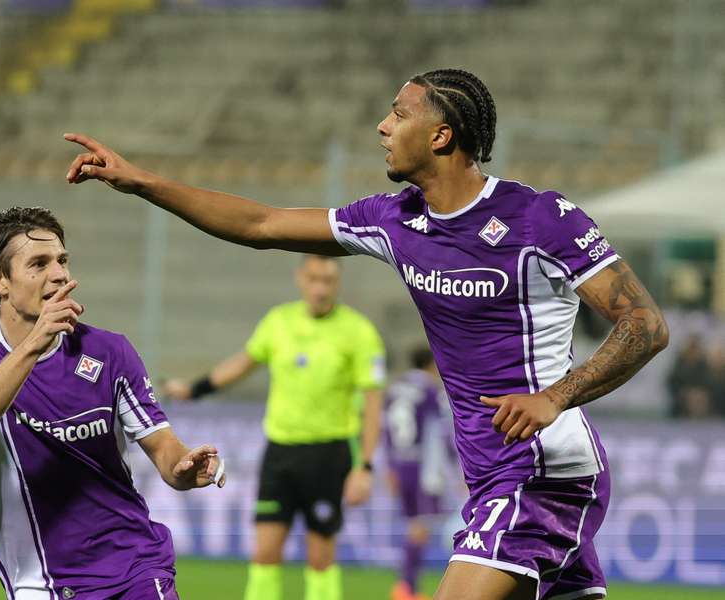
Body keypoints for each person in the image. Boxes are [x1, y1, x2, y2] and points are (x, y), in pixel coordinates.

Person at [63, 67, 669, 600]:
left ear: (440, 135)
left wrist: (554, 397)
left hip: (540, 472)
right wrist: (143, 182)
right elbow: (262, 223)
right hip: (491, 474)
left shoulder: (538, 218)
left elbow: (645, 324)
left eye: (399, 114)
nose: (383, 126)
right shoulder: (395, 219)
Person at [0, 207, 226, 600]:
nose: (59, 274)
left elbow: (164, 449)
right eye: (39, 264)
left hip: (134, 566)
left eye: (62, 260)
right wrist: (33, 345)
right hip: (40, 583)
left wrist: (183, 467)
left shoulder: (109, 351)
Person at [164, 254, 386, 600]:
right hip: (280, 452)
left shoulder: (359, 332)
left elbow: (372, 406)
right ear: (301, 279)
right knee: (264, 553)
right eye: (313, 279)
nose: (320, 289)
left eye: (328, 281)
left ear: (337, 283)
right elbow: (243, 363)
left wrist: (365, 467)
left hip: (328, 454)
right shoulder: (278, 321)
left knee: (320, 557)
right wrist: (195, 389)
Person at [383, 346, 453, 600]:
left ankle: (407, 587)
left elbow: (386, 429)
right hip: (424, 466)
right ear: (431, 364)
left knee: (414, 525)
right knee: (420, 527)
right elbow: (440, 430)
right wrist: (456, 466)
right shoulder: (430, 390)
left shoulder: (395, 388)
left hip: (400, 463)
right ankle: (407, 588)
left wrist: (390, 467)